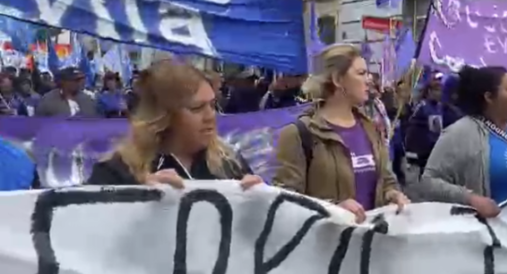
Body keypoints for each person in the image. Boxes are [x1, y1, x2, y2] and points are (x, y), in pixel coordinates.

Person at [272, 44, 408, 223]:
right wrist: (332, 209)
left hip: (371, 245)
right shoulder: (299, 134)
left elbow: (386, 179)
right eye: (361, 73)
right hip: (327, 246)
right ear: (337, 79)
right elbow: (284, 203)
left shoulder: (371, 128)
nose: (369, 80)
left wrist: (392, 194)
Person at [88, 60, 262, 189]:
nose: (210, 116)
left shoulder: (230, 164)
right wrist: (137, 201)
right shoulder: (116, 172)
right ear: (163, 115)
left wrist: (258, 204)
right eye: (197, 108)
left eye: (212, 105)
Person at [415, 66, 507, 217]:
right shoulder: (460, 133)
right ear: (489, 97)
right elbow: (428, 182)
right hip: (493, 235)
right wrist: (471, 199)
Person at [404, 73, 444, 175]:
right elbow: (411, 126)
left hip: (436, 147)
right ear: (430, 91)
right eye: (436, 90)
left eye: (440, 91)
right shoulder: (422, 106)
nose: (439, 94)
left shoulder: (440, 107)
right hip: (423, 149)